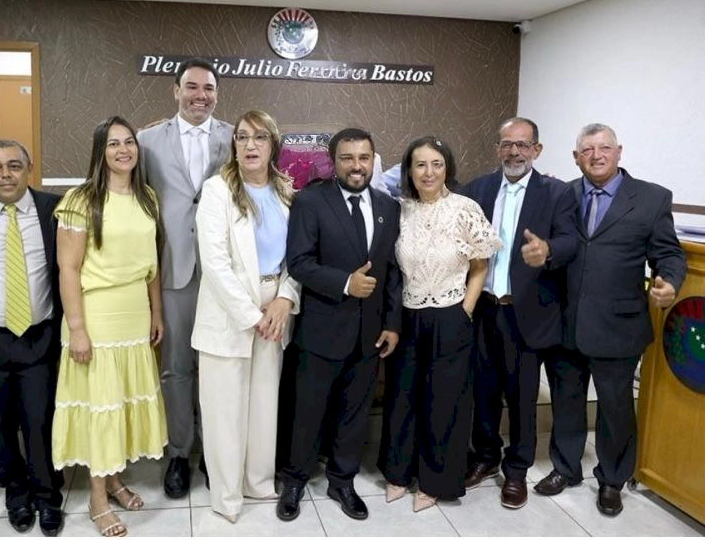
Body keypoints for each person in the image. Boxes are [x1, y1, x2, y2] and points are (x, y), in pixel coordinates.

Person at [534, 123, 686, 516]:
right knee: (566, 401)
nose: (596, 155)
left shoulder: (651, 198)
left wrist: (669, 282)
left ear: (619, 152)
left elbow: (668, 253)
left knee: (616, 406)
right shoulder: (562, 195)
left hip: (618, 324)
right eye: (587, 149)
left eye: (604, 148)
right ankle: (565, 468)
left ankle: (612, 479)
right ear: (576, 157)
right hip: (566, 320)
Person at [276, 128, 402, 523]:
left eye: (363, 157)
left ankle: (342, 480)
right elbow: (299, 262)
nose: (356, 166)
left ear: (373, 159)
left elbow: (392, 271)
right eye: (347, 158)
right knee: (307, 412)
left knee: (354, 413)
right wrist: (346, 283)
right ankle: (294, 480)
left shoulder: (388, 206)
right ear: (333, 162)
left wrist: (392, 323)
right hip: (322, 329)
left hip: (370, 333)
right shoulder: (310, 201)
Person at [52, 116, 167, 537]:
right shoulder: (80, 200)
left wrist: (156, 313)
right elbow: (68, 268)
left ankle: (116, 481)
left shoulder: (147, 197)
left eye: (129, 142)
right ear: (100, 151)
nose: (123, 150)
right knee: (101, 409)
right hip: (96, 316)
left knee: (120, 406)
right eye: (113, 143)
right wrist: (77, 329)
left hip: (134, 314)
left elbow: (153, 264)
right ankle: (97, 498)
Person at [461, 117, 578, 509]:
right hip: (482, 309)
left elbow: (570, 241)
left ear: (537, 150)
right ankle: (486, 457)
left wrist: (548, 251)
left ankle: (516, 471)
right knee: (483, 391)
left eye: (523, 144)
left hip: (525, 313)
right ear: (498, 148)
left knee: (522, 396)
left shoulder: (557, 193)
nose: (514, 151)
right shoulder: (478, 189)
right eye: (507, 144)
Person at [378, 137, 500, 511]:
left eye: (436, 164)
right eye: (420, 164)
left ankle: (434, 481)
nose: (428, 172)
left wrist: (466, 309)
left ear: (447, 168)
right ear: (409, 170)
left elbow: (480, 265)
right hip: (407, 315)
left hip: (451, 315)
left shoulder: (464, 208)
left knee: (444, 401)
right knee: (402, 396)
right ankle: (398, 473)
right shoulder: (400, 210)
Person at [192, 110, 300, 523]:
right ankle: (227, 496)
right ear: (234, 145)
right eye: (242, 137)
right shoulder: (217, 190)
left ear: (274, 144)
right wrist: (252, 314)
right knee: (225, 409)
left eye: (259, 138)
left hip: (275, 307)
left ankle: (258, 482)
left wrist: (284, 300)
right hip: (231, 310)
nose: (250, 145)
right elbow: (215, 263)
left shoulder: (286, 192)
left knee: (264, 404)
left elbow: (298, 257)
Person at [137, 57, 233, 498]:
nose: (201, 96)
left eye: (208, 88)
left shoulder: (235, 137)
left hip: (223, 272)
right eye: (192, 87)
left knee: (216, 366)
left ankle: (215, 453)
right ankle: (178, 453)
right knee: (175, 368)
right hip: (172, 269)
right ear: (175, 91)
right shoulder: (146, 141)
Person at [0, 140, 64, 535]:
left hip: (40, 336)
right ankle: (16, 494)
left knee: (40, 420)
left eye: (14, 166)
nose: (5, 174)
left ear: (29, 168)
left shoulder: (54, 210)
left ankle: (47, 496)